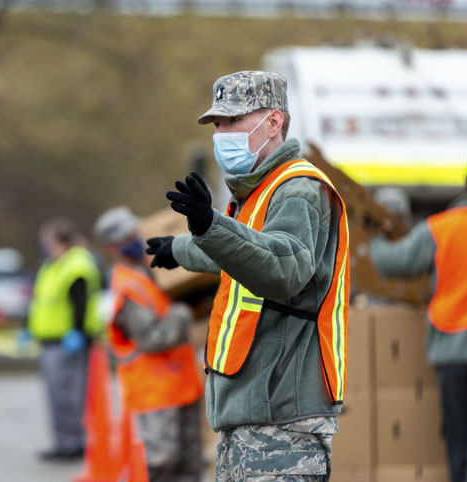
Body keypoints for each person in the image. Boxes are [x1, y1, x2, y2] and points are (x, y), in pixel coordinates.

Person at [146, 71, 350, 480]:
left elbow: (283, 267)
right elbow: (241, 254)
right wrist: (182, 249)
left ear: (273, 122)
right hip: (255, 416)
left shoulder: (297, 190)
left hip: (282, 421)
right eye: (217, 125)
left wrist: (209, 227)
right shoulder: (259, 190)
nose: (222, 134)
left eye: (232, 122)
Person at [370, 147, 467, 482]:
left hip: (450, 351)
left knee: (457, 441)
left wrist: (377, 239)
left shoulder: (441, 227)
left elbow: (393, 263)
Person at [93, 206, 204, 482]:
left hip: (182, 387)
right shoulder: (127, 287)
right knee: (159, 466)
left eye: (135, 232)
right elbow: (154, 339)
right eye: (127, 237)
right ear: (112, 247)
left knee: (189, 468)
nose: (136, 239)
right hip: (155, 395)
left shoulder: (151, 274)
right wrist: (183, 311)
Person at [27, 217, 103, 461]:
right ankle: (64, 442)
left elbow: (79, 303)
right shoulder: (55, 265)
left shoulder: (75, 266)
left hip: (66, 342)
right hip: (51, 340)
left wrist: (77, 332)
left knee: (67, 395)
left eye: (48, 239)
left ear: (59, 240)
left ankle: (72, 444)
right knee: (57, 396)